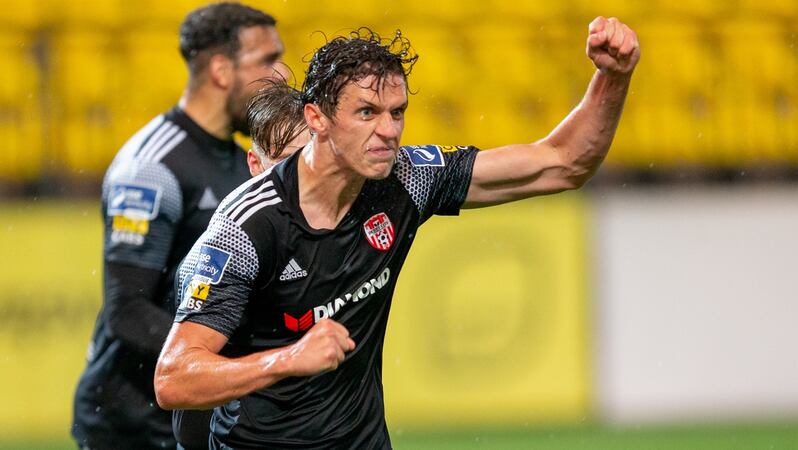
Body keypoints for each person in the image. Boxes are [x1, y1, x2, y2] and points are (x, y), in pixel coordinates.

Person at [155, 17, 640, 449]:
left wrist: (612, 77)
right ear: (316, 118)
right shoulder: (245, 226)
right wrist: (287, 359)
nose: (388, 130)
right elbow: (173, 379)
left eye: (397, 112)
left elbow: (563, 164)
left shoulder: (405, 178)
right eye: (367, 112)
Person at [71, 3, 289, 449]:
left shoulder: (241, 157)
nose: (281, 74)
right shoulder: (151, 167)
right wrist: (247, 364)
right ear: (220, 70)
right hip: (134, 423)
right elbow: (127, 312)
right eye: (266, 60)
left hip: (199, 414)